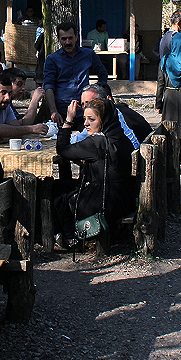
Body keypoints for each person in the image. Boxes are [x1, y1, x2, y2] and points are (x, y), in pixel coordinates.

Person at [52, 98, 134, 249]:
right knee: (58, 185)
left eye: (91, 119)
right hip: (122, 199)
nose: (86, 124)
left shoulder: (96, 143)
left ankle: (71, 239)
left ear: (103, 120)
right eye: (84, 119)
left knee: (58, 196)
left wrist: (69, 120)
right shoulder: (120, 137)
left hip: (103, 203)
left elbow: (62, 149)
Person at [43, 21, 109, 124]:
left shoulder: (88, 54)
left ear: (76, 37)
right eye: (64, 39)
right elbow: (48, 86)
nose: (68, 42)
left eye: (70, 38)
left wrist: (95, 91)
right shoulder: (52, 59)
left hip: (86, 110)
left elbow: (103, 73)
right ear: (58, 39)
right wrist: (53, 111)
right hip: (62, 111)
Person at [159, 11, 181, 170]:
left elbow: (160, 80)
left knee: (169, 129)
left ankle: (170, 161)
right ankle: (176, 160)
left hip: (168, 93)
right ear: (178, 22)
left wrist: (158, 101)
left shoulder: (165, 57)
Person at [0, 71, 47, 141]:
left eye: (10, 93)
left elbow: (18, 129)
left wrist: (6, 137)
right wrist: (32, 129)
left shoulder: (5, 107)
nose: (7, 97)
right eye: (3, 93)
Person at [78, 83, 149, 149]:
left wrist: (69, 120)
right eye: (83, 104)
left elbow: (74, 144)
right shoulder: (121, 110)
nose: (85, 107)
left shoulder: (111, 118)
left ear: (106, 100)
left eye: (90, 103)